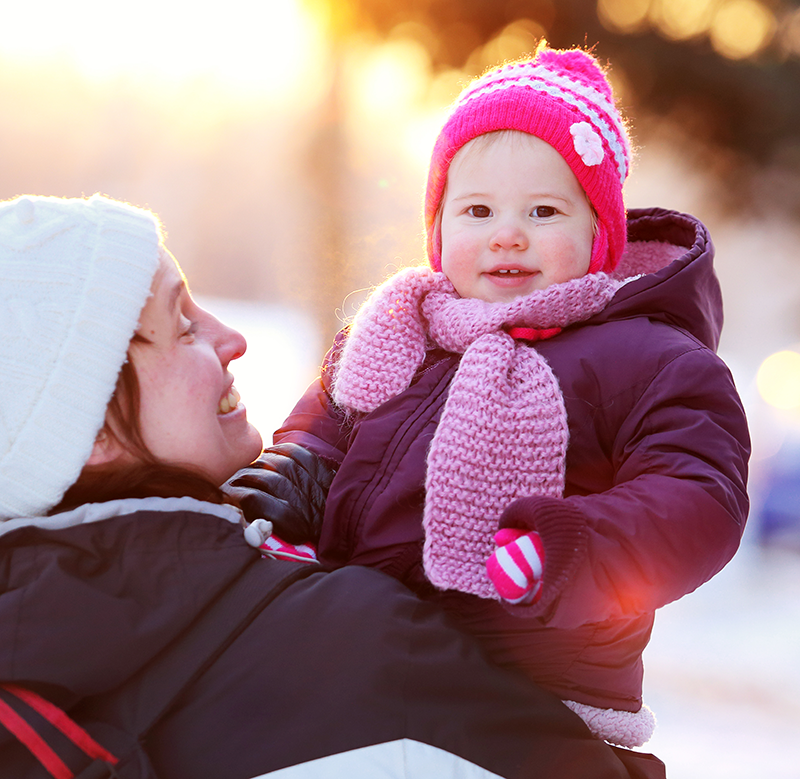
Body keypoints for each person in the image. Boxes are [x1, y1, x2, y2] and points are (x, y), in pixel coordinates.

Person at [0, 193, 658, 779]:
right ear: (86, 429)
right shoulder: (353, 647)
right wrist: (598, 626)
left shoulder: (30, 668)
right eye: (182, 325)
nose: (233, 338)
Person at [226, 43, 751, 753]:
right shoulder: (396, 330)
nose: (508, 233)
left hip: (534, 691)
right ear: (438, 231)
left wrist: (573, 547)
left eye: (543, 210)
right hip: (366, 659)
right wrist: (286, 491)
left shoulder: (648, 356)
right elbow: (322, 431)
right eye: (477, 209)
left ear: (599, 235)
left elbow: (698, 496)